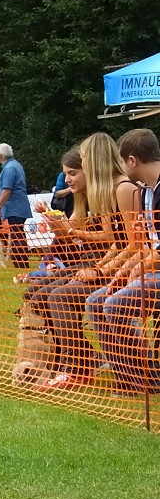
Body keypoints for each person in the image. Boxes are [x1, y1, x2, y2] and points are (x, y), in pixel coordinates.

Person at [29, 135, 135, 390]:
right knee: (38, 294)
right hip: (105, 264)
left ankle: (77, 367)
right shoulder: (107, 191)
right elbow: (117, 243)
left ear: (95, 161)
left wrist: (99, 268)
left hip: (117, 267)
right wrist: (61, 227)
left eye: (81, 163)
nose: (68, 178)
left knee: (57, 297)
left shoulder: (121, 189)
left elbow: (129, 243)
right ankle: (79, 358)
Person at [84, 128, 160, 395]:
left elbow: (142, 248)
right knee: (95, 301)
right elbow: (143, 245)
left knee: (114, 304)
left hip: (155, 272)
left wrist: (141, 265)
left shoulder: (134, 190)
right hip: (150, 268)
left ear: (132, 160)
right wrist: (124, 269)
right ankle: (127, 378)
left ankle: (148, 375)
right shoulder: (148, 192)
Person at [0, 143, 32, 269]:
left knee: (17, 235)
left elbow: (7, 190)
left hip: (15, 207)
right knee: (18, 233)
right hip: (19, 206)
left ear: (0, 156)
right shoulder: (16, 165)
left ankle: (20, 263)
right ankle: (22, 261)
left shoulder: (9, 168)